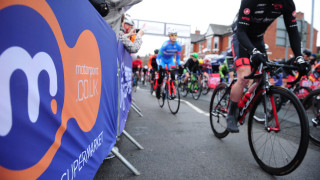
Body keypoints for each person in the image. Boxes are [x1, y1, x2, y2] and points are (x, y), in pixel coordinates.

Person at [227, 0, 309, 133]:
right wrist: (253, 52)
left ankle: (246, 100)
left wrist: (299, 57)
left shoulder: (287, 3)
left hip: (258, 39)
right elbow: (241, 30)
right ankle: (231, 113)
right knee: (244, 77)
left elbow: (293, 31)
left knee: (264, 77)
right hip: (241, 36)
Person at [156, 28, 183, 99]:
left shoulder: (179, 45)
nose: (174, 37)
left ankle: (171, 90)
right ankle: (158, 89)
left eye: (175, 35)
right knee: (161, 77)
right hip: (162, 60)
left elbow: (177, 58)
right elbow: (158, 58)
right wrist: (160, 66)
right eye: (172, 35)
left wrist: (179, 65)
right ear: (169, 36)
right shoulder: (165, 44)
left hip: (170, 60)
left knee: (173, 75)